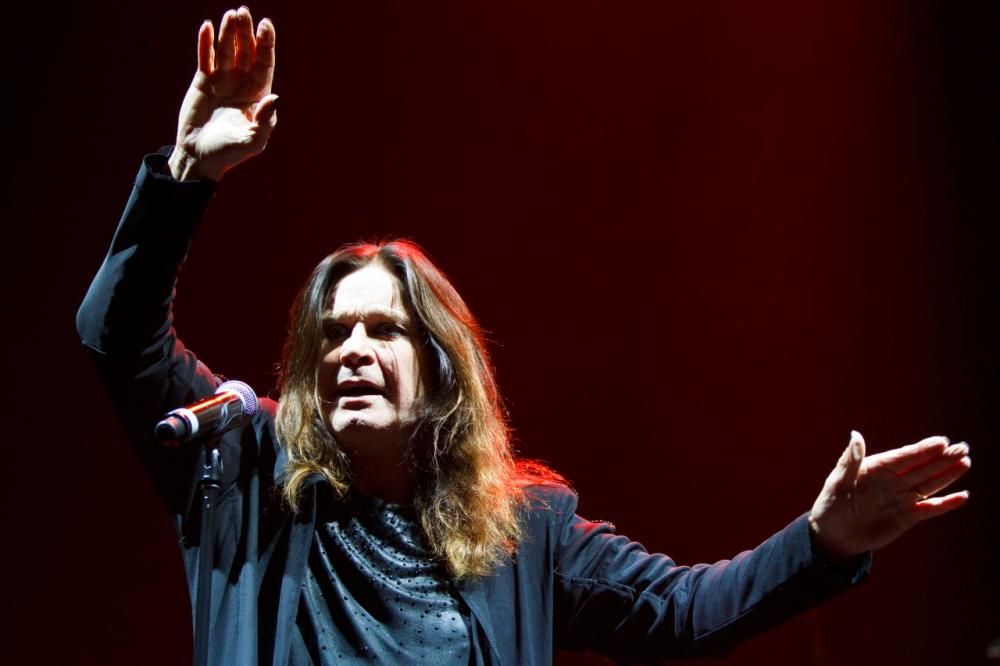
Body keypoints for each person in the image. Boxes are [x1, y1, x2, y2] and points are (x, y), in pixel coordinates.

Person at [77, 7, 973, 665]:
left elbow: (682, 610)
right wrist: (185, 173)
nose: (350, 349)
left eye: (383, 330)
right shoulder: (243, 469)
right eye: (333, 334)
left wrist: (821, 542)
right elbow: (117, 338)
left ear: (439, 369)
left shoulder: (521, 530)